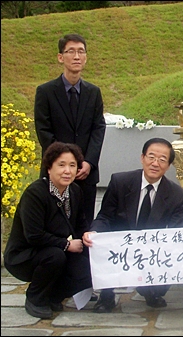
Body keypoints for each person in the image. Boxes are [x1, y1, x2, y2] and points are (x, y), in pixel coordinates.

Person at [82, 138, 183, 312]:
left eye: (162, 160)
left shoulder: (176, 194)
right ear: (142, 158)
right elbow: (105, 216)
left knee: (176, 253)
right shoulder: (120, 182)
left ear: (168, 166)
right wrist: (93, 232)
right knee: (95, 242)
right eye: (151, 157)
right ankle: (107, 295)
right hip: (120, 245)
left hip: (152, 249)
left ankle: (152, 290)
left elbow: (177, 231)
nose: (155, 163)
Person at [4, 142, 92, 319]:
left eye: (72, 165)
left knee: (89, 268)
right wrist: (66, 245)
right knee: (55, 256)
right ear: (49, 168)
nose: (67, 171)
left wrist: (88, 237)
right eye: (61, 165)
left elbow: (80, 225)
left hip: (56, 248)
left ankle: (53, 296)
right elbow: (34, 236)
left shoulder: (74, 191)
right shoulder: (35, 193)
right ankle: (35, 298)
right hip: (26, 255)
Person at [34, 33, 106, 227]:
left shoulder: (93, 92)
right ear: (60, 57)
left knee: (83, 225)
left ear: (86, 57)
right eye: (71, 51)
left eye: (81, 51)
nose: (76, 56)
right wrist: (63, 163)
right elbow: (43, 129)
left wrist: (88, 161)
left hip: (85, 172)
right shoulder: (46, 92)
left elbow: (98, 128)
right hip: (55, 172)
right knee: (52, 223)